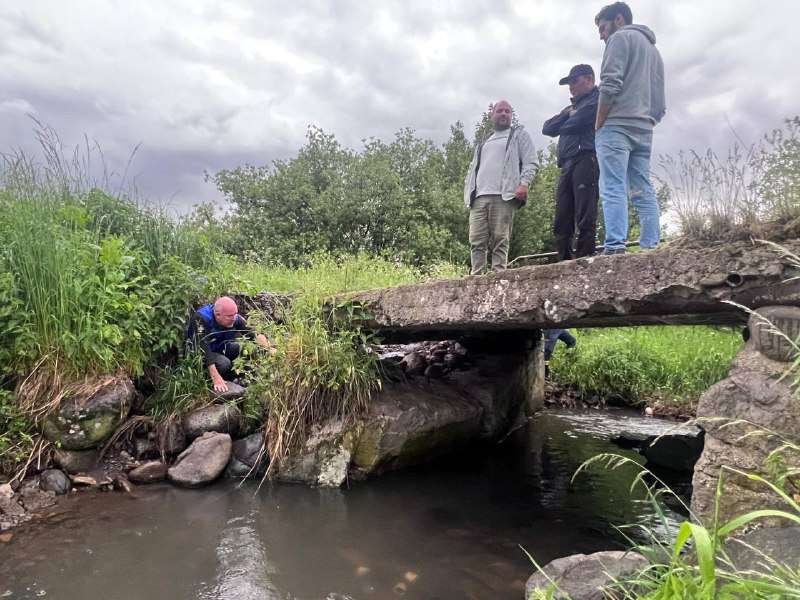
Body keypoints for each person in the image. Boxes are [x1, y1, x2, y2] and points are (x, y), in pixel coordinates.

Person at [594, 2, 665, 255]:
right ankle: (650, 248)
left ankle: (614, 249)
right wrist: (649, 120)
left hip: (616, 126)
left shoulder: (619, 38)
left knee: (612, 186)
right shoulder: (653, 51)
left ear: (619, 20)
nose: (602, 35)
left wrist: (599, 123)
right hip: (644, 127)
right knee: (642, 188)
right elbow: (660, 100)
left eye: (603, 28)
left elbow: (610, 83)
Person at [463, 100, 537, 275]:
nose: (504, 114)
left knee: (500, 239)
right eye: (500, 111)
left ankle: (498, 277)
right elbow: (472, 169)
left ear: (511, 116)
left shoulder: (519, 135)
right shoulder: (484, 141)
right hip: (479, 197)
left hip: (504, 196)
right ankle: (476, 279)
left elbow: (531, 162)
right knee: (476, 241)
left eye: (508, 111)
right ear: (492, 115)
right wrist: (468, 192)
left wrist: (524, 183)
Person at [542, 64, 600, 260]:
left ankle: (585, 257)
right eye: (569, 83)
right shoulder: (570, 108)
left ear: (589, 79)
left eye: (574, 81)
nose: (571, 87)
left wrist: (567, 122)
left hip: (586, 157)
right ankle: (563, 260)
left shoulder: (597, 98)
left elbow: (579, 122)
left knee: (585, 212)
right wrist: (567, 114)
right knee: (562, 216)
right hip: (566, 163)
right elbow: (548, 128)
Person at [187, 296, 271, 393]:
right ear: (217, 315)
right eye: (229, 316)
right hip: (200, 353)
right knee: (224, 363)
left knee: (246, 348)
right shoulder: (201, 318)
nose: (233, 318)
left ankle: (240, 379)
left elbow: (253, 334)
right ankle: (213, 382)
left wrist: (269, 349)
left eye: (235, 314)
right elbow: (204, 350)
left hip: (221, 347)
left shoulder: (234, 317)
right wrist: (215, 377)